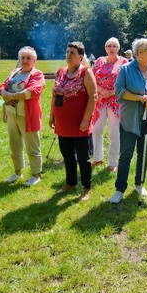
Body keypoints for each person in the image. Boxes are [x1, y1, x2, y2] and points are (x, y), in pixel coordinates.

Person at [109, 38, 147, 203]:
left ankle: (139, 184)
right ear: (140, 52)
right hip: (130, 119)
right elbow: (119, 91)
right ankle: (120, 188)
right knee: (126, 154)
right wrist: (139, 98)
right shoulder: (126, 69)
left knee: (144, 153)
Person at [50, 42, 97, 200]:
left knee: (83, 158)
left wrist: (86, 120)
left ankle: (87, 187)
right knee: (67, 155)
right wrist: (52, 115)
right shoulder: (61, 72)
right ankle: (70, 183)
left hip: (80, 124)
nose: (68, 55)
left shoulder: (86, 72)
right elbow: (55, 95)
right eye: (67, 52)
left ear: (81, 57)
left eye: (72, 53)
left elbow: (93, 97)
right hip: (63, 124)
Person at [0, 46, 45, 186]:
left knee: (32, 145)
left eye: (28, 58)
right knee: (15, 143)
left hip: (28, 115)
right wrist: (4, 93)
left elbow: (33, 91)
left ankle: (36, 175)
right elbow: (2, 86)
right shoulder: (15, 72)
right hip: (11, 114)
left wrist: (10, 95)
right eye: (23, 58)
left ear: (34, 60)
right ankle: (18, 172)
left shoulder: (37, 74)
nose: (25, 61)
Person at [91, 38, 128, 172]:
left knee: (113, 133)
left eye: (114, 46)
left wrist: (111, 92)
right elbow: (92, 78)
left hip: (115, 101)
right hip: (100, 100)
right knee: (96, 130)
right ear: (105, 48)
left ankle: (112, 162)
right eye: (109, 46)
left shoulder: (124, 62)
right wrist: (102, 91)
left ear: (118, 48)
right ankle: (97, 157)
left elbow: (126, 82)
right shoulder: (99, 60)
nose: (111, 48)